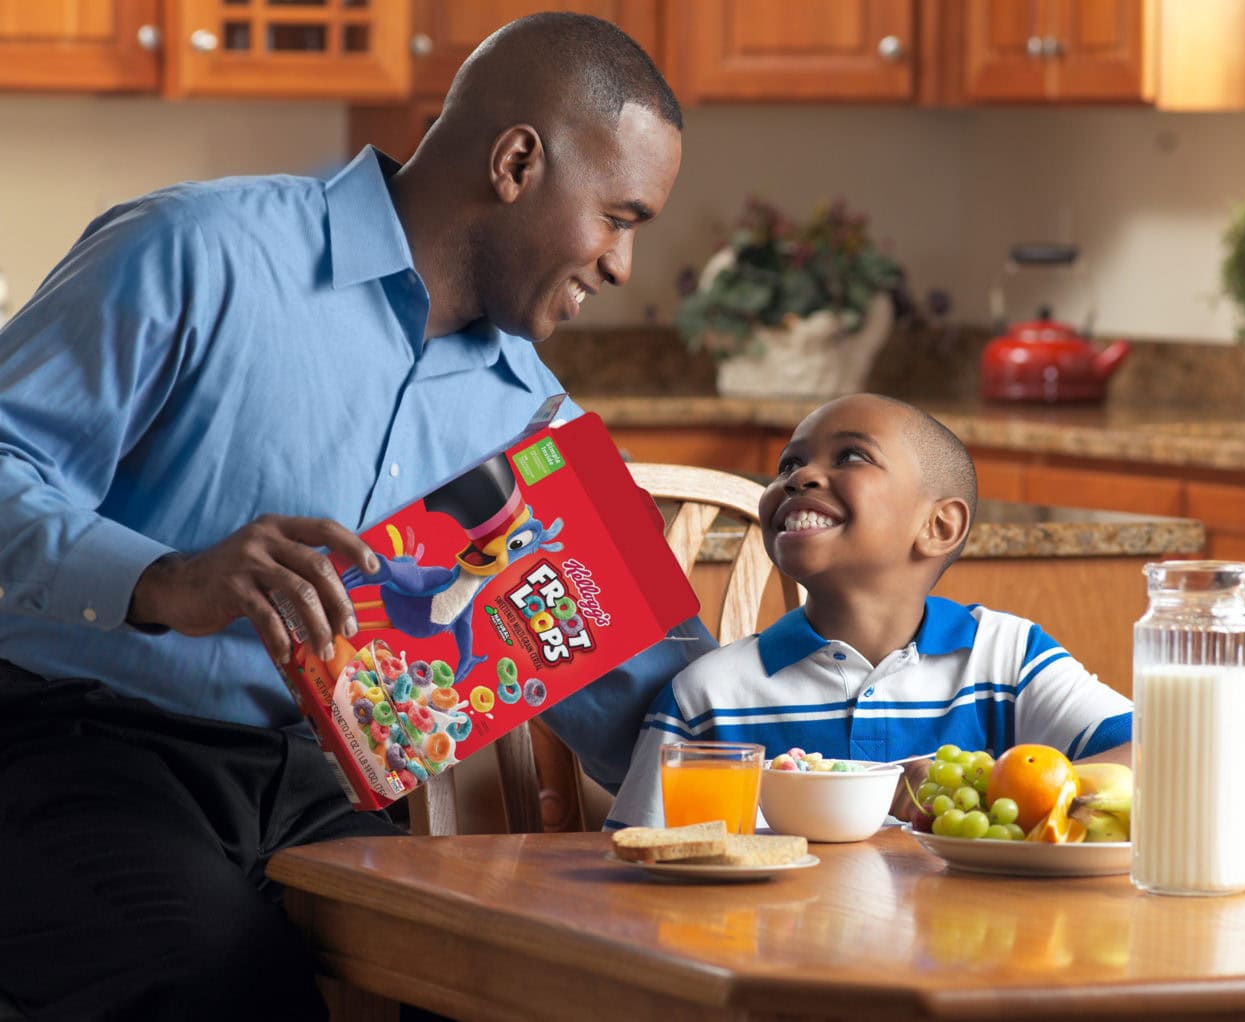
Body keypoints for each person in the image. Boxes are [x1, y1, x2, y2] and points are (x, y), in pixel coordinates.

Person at [0, 13, 712, 1021]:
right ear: (516, 163)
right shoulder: (196, 251)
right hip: (66, 748)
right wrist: (165, 578)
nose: (622, 265)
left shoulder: (533, 420)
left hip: (309, 787)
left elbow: (650, 695)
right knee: (223, 980)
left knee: (464, 972)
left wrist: (857, 705)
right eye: (620, 215)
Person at [606, 393, 1132, 831]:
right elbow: (638, 865)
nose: (799, 477)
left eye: (851, 457)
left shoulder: (1007, 658)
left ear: (939, 527)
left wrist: (988, 785)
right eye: (788, 465)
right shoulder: (709, 696)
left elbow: (1156, 753)